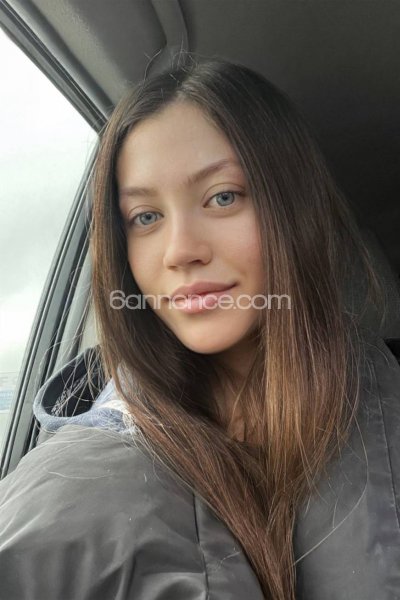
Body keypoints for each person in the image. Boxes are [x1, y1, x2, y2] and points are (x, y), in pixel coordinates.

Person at [0, 55, 399, 600]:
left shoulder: (380, 404)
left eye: (222, 197)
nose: (180, 250)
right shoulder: (72, 493)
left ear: (296, 210)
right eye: (145, 217)